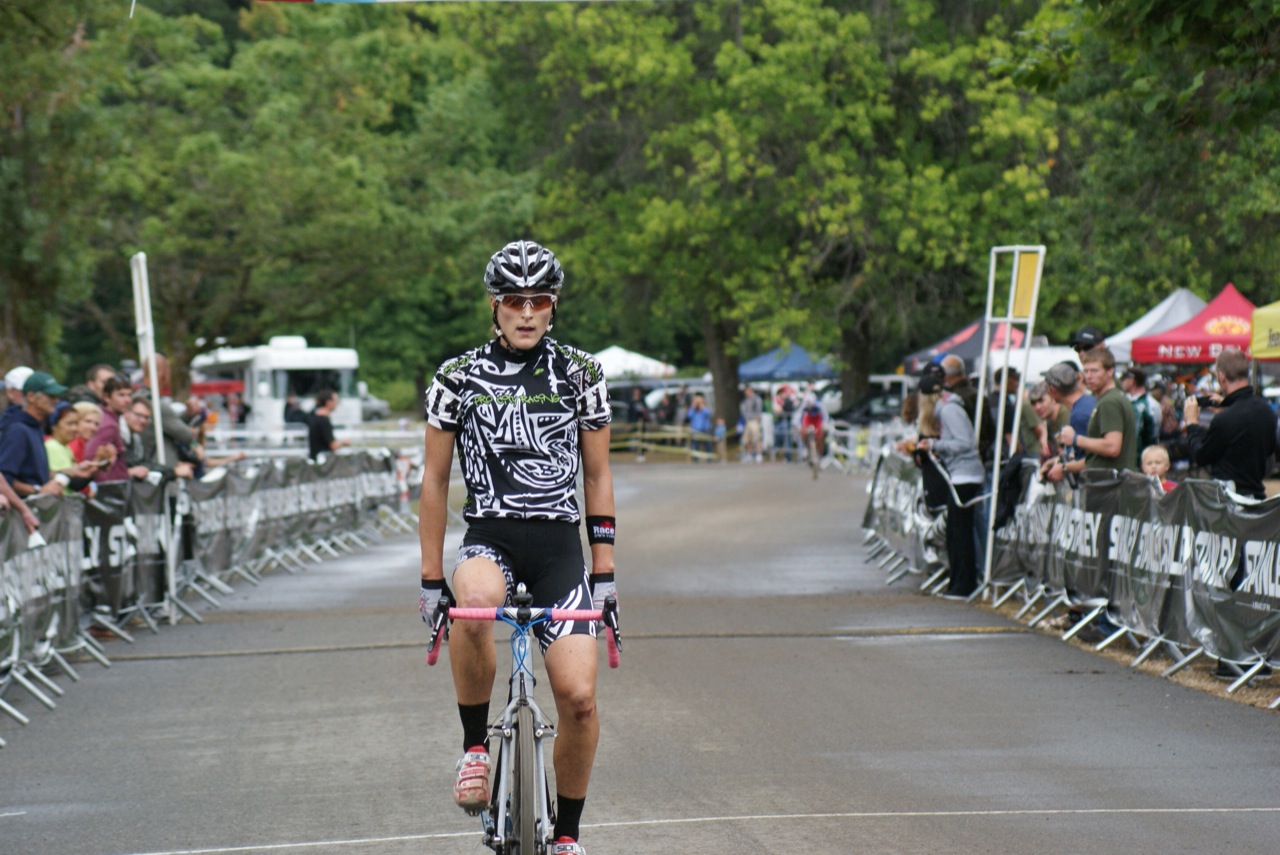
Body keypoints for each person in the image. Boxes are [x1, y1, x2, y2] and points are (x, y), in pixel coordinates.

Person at [418, 240, 614, 855]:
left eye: (538, 301)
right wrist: (431, 581)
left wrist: (603, 573)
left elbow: (598, 476)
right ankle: (476, 748)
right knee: (473, 602)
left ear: (553, 306)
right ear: (494, 306)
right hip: (491, 539)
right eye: (512, 301)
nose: (525, 313)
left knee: (579, 699)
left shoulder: (581, 374)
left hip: (560, 551)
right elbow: (434, 479)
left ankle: (566, 835)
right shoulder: (457, 378)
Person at [913, 373, 984, 599]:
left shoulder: (948, 410)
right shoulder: (946, 409)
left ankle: (965, 585)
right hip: (959, 474)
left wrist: (936, 444)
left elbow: (966, 442)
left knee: (959, 532)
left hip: (966, 475)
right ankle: (957, 583)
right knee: (954, 531)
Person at [1183, 347, 1278, 500]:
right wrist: (1229, 405)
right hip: (1257, 497)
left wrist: (1192, 423)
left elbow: (1201, 456)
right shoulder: (1266, 410)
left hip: (1231, 503)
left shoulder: (1225, 419)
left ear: (1221, 378)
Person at [1059, 346, 1137, 476]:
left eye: (1095, 371)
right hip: (1110, 483)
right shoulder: (1109, 398)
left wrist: (1075, 439)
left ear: (1110, 371)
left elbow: (1112, 447)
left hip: (1109, 485)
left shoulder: (1109, 402)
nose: (1089, 376)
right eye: (1086, 371)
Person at [0, 371, 80, 497]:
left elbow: (33, 472)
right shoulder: (18, 430)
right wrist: (37, 490)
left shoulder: (36, 427)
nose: (56, 400)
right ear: (31, 396)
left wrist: (69, 473)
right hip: (19, 512)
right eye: (50, 396)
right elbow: (4, 478)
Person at [86, 375, 142, 483]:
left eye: (129, 395)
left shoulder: (107, 419)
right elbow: (91, 458)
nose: (127, 400)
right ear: (107, 397)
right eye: (121, 395)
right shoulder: (108, 425)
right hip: (108, 490)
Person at [1120, 367, 1159, 468]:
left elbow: (1154, 434)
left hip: (1143, 460)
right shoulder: (1123, 401)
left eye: (1124, 379)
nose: (1122, 382)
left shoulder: (1151, 404)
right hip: (1124, 459)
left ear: (1132, 380)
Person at [307, 389, 350, 461]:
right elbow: (333, 446)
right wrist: (343, 442)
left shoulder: (314, 417)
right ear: (328, 402)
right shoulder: (323, 420)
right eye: (335, 401)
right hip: (322, 461)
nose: (337, 403)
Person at [739, 385, 763, 463]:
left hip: (754, 420)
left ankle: (759, 455)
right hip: (747, 421)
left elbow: (759, 411)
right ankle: (749, 454)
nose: (746, 393)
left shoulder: (756, 399)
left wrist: (758, 421)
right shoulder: (745, 400)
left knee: (757, 438)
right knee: (748, 439)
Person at [686, 393, 713, 461]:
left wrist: (702, 406)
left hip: (705, 430)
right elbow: (689, 416)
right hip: (696, 430)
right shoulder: (694, 411)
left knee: (707, 445)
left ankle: (709, 458)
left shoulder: (704, 410)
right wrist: (693, 406)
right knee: (695, 445)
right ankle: (695, 458)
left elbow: (707, 413)